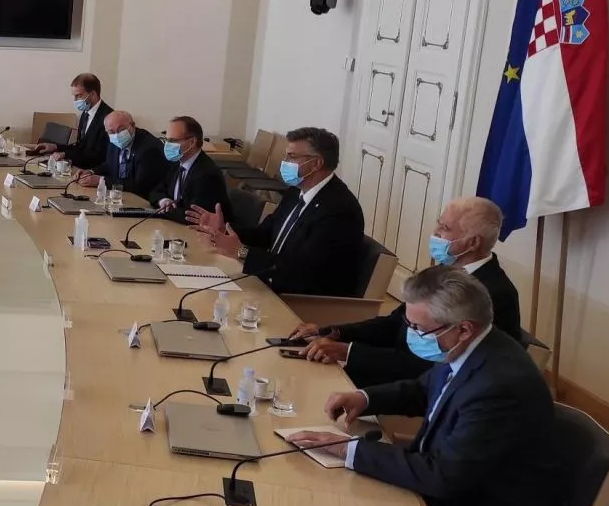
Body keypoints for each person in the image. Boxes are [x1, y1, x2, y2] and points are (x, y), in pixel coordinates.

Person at [285, 266, 559, 506]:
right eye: (409, 324)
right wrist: (365, 398)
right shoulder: (472, 345)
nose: (411, 335)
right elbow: (424, 389)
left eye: (419, 329)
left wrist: (348, 449)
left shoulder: (499, 387)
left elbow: (443, 476)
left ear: (464, 329)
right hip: (438, 481)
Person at [287, 196, 524, 388]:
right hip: (386, 367)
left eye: (444, 228)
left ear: (472, 243)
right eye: (438, 224)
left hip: (414, 388)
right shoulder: (442, 271)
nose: (435, 233)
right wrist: (332, 332)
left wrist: (349, 352)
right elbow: (394, 323)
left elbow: (434, 367)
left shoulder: (495, 294)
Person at [191, 127, 364, 297]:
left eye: (292, 157)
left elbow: (304, 271)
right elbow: (265, 234)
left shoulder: (339, 210)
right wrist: (224, 230)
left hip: (305, 301)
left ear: (316, 163)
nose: (284, 162)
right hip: (273, 281)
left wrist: (242, 252)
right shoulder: (296, 191)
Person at [148, 115, 230, 221]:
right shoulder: (176, 163)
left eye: (173, 141)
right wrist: (164, 201)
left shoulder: (207, 174)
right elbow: (155, 192)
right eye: (166, 140)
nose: (167, 145)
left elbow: (192, 216)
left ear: (191, 142)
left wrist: (167, 210)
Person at [75, 110, 165, 202]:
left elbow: (139, 186)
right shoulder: (113, 139)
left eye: (121, 130)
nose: (116, 135)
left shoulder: (149, 148)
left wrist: (101, 180)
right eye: (111, 132)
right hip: (119, 197)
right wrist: (91, 171)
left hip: (142, 200)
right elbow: (110, 165)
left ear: (132, 125)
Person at [36, 73, 113, 170]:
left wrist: (65, 154)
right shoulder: (85, 113)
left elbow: (98, 155)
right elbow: (80, 146)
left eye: (79, 96)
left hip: (94, 171)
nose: (75, 100)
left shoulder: (109, 118)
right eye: (74, 96)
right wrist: (55, 147)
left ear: (93, 94)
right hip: (79, 168)